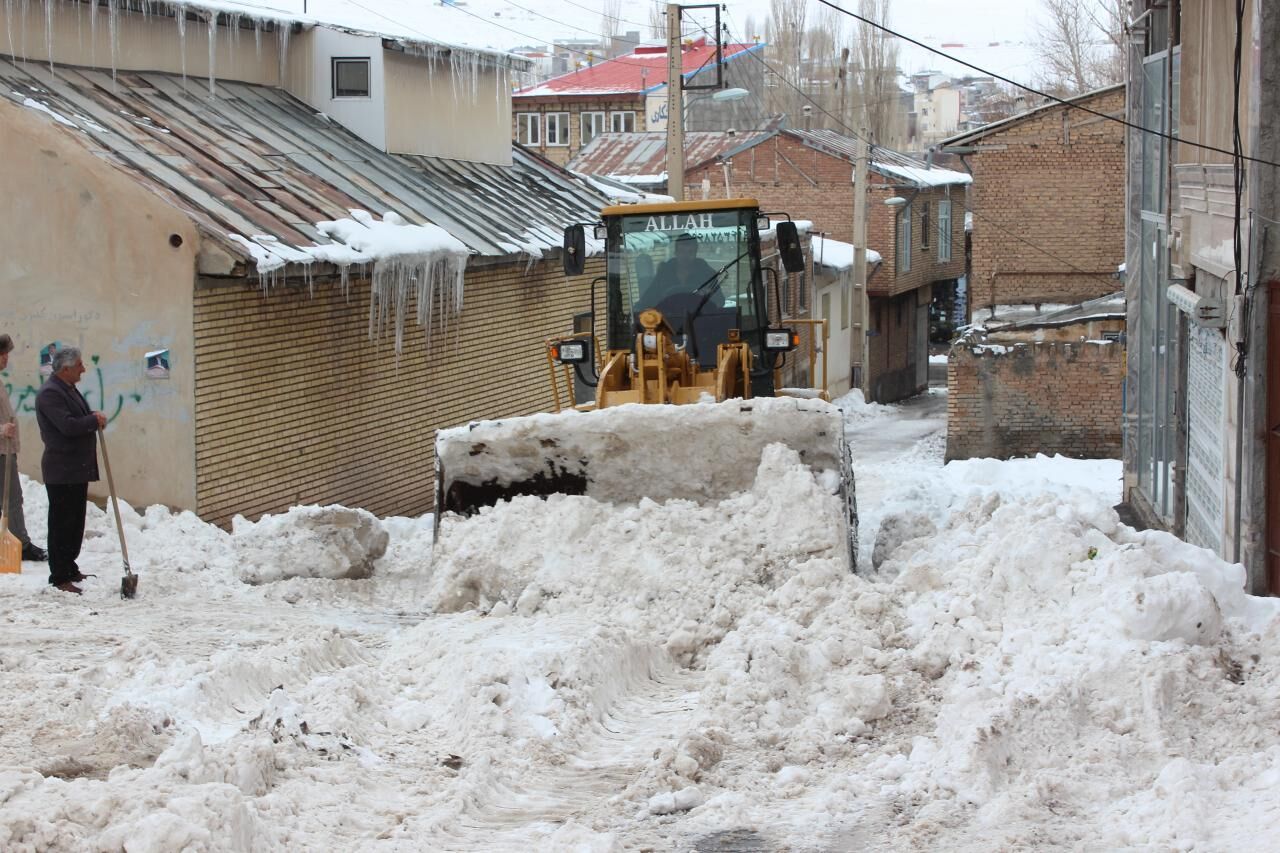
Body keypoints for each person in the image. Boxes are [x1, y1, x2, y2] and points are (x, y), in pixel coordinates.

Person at [35, 346, 106, 594]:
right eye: (79, 365)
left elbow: (80, 417)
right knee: (62, 523)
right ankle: (59, 575)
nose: (83, 369)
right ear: (66, 369)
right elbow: (67, 426)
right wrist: (92, 421)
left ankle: (70, 566)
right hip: (61, 469)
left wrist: (93, 417)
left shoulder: (68, 389)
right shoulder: (50, 394)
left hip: (76, 468)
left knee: (75, 521)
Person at [0, 335, 48, 563]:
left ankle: (20, 540)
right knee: (12, 499)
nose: (5, 359)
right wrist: (1, 430)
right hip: (1, 450)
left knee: (12, 498)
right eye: (2, 355)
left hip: (5, 450)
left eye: (6, 354)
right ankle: (22, 544)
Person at [637, 234, 724, 313]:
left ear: (695, 253)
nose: (685, 256)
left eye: (690, 252)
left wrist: (708, 296)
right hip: (668, 323)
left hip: (699, 322)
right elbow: (646, 301)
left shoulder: (706, 274)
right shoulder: (664, 274)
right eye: (681, 251)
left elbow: (720, 301)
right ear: (676, 252)